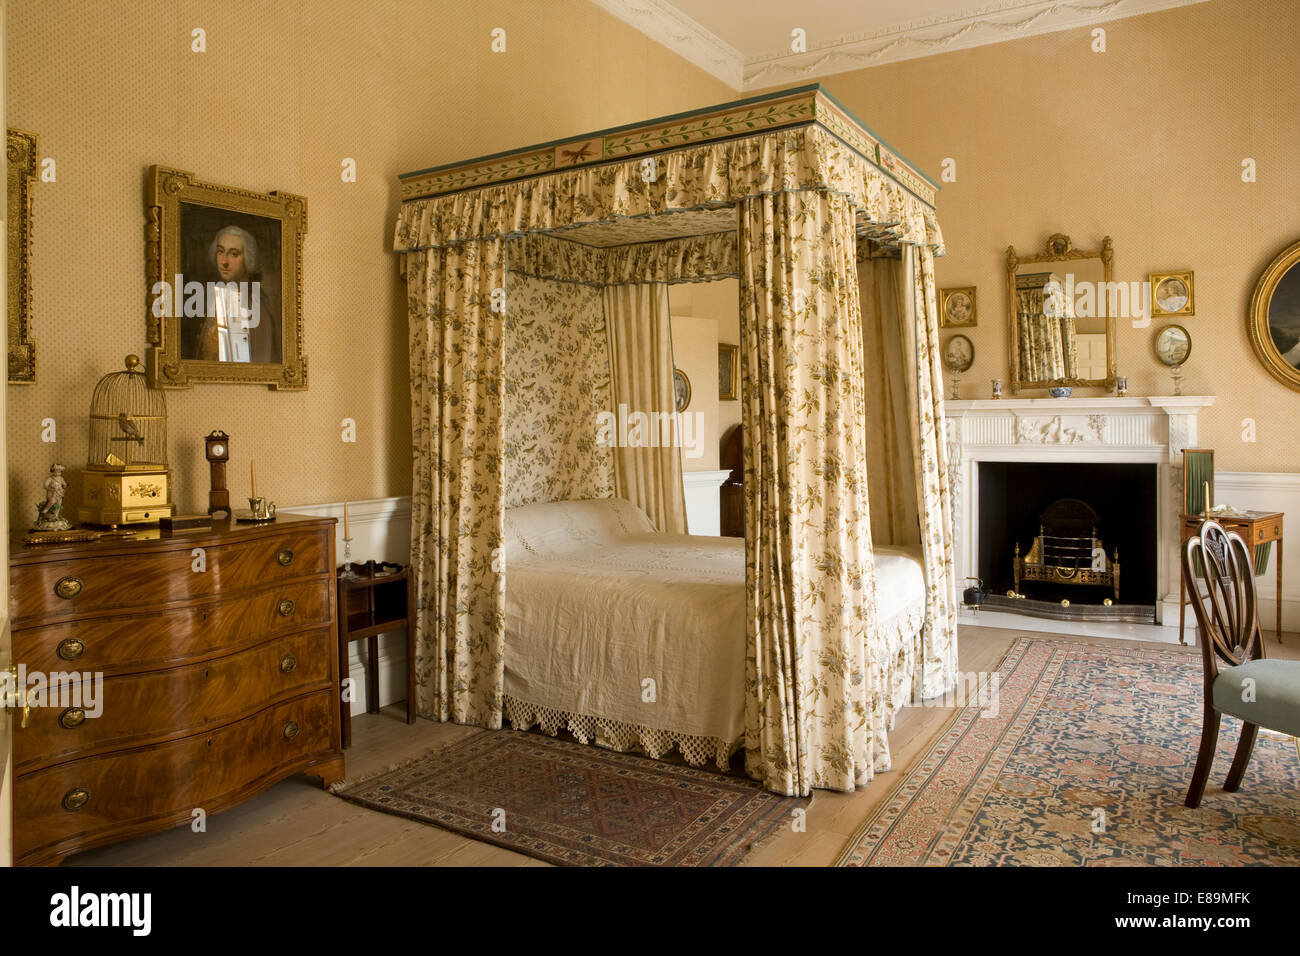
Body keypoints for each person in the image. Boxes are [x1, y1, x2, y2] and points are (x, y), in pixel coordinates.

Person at [196, 225, 282, 364]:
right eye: (220, 252)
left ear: (248, 258)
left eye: (234, 254)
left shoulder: (255, 306)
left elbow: (260, 365)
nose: (224, 262)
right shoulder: (222, 297)